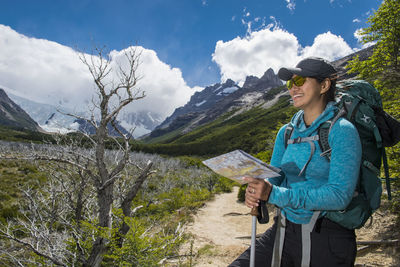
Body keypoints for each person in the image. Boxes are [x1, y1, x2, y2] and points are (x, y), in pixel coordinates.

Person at [229, 57, 362, 267]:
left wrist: (273, 193)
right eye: (291, 83)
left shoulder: (343, 131)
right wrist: (258, 189)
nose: (293, 88)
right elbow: (275, 178)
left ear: (324, 85)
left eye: (300, 81)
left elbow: (339, 196)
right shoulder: (286, 132)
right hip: (284, 227)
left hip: (327, 236)